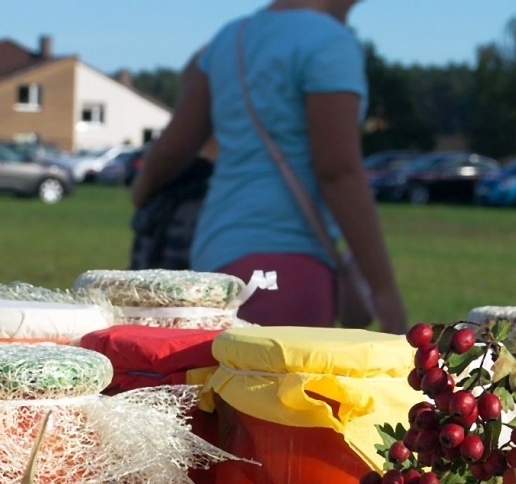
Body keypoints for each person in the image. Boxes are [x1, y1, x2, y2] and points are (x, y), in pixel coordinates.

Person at [132, 0, 407, 334]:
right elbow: (338, 171)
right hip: (288, 266)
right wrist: (384, 290)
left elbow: (172, 150)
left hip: (212, 260)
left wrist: (141, 191)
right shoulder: (329, 42)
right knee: (279, 385)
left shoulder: (231, 39)